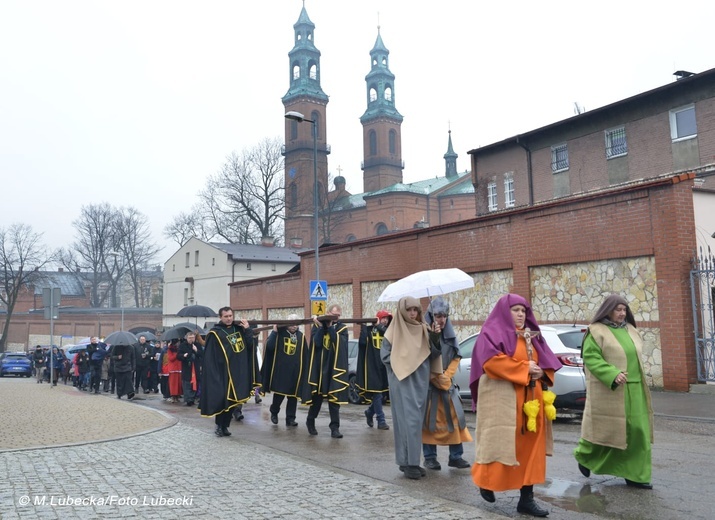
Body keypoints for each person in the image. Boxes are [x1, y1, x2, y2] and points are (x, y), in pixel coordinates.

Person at [469, 294, 562, 517]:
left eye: (523, 310)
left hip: (532, 401)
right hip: (505, 401)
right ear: (504, 311)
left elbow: (545, 362)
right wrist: (524, 368)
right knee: (501, 443)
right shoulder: (490, 334)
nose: (521, 314)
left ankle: (526, 499)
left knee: (530, 449)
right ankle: (486, 482)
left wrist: (542, 371)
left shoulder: (532, 336)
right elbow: (491, 363)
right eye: (515, 310)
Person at [573, 294, 654, 489]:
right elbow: (591, 357)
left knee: (637, 432)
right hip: (611, 391)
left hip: (635, 389)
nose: (621, 313)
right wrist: (612, 374)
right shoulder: (597, 331)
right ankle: (585, 456)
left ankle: (636, 475)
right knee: (608, 431)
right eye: (618, 309)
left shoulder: (631, 330)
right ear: (607, 310)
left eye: (624, 309)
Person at [380, 296, 443, 480]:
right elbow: (385, 356)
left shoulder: (424, 328)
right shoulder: (393, 331)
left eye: (416, 310)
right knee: (407, 422)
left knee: (416, 422)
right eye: (409, 310)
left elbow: (435, 354)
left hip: (420, 382)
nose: (413, 313)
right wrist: (403, 362)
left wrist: (435, 336)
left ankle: (409, 462)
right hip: (402, 381)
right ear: (402, 311)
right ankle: (410, 463)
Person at [422, 297, 472, 470]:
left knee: (454, 420)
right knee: (430, 422)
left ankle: (455, 456)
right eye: (437, 315)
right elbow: (422, 359)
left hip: (447, 385)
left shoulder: (450, 335)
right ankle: (430, 457)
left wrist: (447, 375)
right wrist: (435, 377)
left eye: (444, 315)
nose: (441, 319)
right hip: (429, 386)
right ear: (431, 315)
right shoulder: (423, 334)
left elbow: (457, 355)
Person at [199, 307, 260, 438]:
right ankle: (219, 426)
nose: (229, 318)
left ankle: (225, 426)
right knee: (222, 401)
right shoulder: (215, 333)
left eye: (230, 316)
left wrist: (248, 329)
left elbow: (250, 346)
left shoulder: (239, 329)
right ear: (221, 317)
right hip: (223, 373)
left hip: (238, 372)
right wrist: (215, 374)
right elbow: (210, 357)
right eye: (226, 316)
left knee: (234, 402)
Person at [305, 303, 350, 438]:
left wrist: (330, 328)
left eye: (338, 316)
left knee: (334, 400)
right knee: (317, 399)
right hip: (319, 368)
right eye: (333, 315)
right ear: (328, 313)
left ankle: (334, 428)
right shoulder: (317, 326)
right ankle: (310, 421)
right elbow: (317, 343)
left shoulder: (342, 329)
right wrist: (320, 327)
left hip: (333, 368)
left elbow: (339, 343)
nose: (335, 318)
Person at [261, 314, 309, 427]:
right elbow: (270, 347)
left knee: (293, 397)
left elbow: (305, 354)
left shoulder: (300, 336)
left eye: (296, 324)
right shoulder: (280, 334)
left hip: (295, 372)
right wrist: (274, 332)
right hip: (281, 371)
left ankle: (290, 418)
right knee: (279, 395)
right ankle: (274, 412)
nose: (294, 326)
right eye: (291, 324)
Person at [357, 310, 392, 430]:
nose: (385, 320)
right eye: (383, 318)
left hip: (383, 366)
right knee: (377, 394)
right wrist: (363, 328)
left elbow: (390, 337)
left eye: (387, 319)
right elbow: (362, 344)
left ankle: (369, 412)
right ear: (378, 318)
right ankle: (381, 420)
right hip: (372, 366)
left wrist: (380, 326)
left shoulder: (387, 331)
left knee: (381, 395)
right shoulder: (369, 330)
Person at [178, 331, 203, 406]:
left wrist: (196, 350)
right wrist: (184, 356)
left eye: (192, 338)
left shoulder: (197, 345)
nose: (191, 339)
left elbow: (202, 354)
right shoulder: (182, 345)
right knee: (187, 383)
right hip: (187, 367)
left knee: (195, 383)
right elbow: (178, 356)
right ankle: (188, 399)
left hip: (195, 367)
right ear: (187, 338)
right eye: (190, 338)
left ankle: (192, 398)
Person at [166, 339, 183, 403]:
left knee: (178, 384)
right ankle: (173, 396)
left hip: (179, 368)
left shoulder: (179, 349)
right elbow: (171, 358)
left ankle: (177, 396)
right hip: (173, 369)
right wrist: (176, 354)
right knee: (173, 384)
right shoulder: (170, 350)